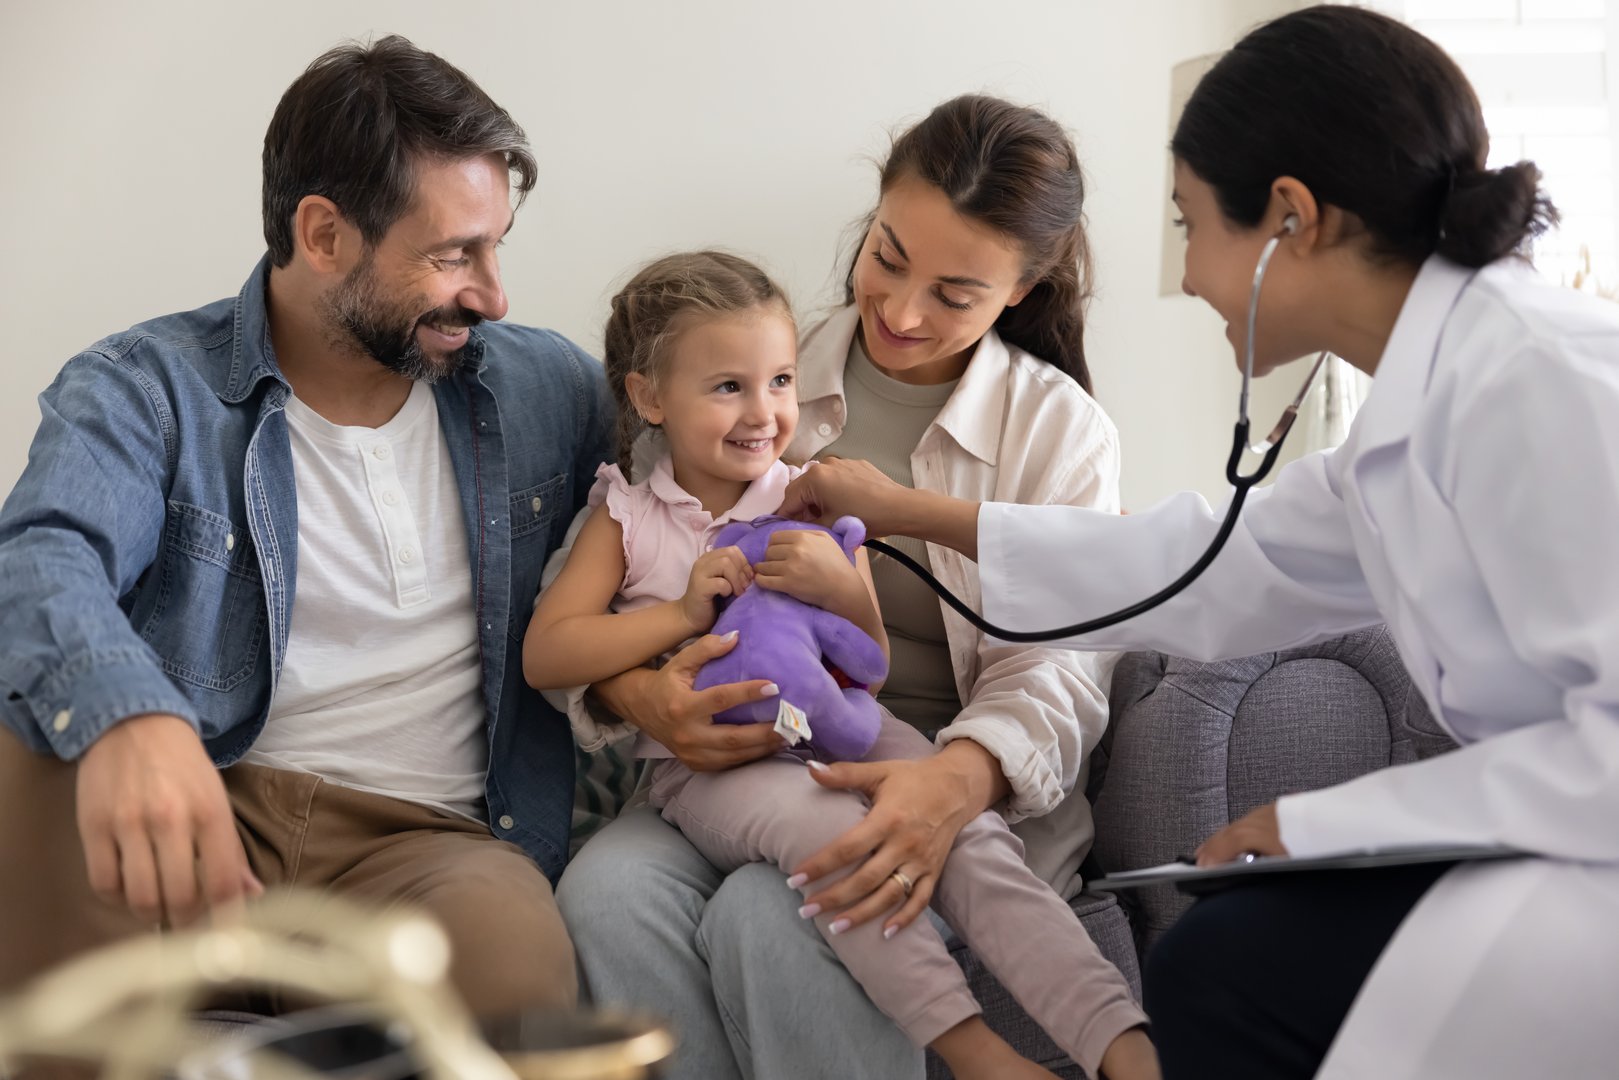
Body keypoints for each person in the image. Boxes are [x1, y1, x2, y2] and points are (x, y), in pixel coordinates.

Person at [777, 7, 1619, 1079]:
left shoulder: (1540, 385)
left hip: (1585, 879)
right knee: (1220, 963)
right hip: (1551, 849)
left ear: (1287, 218)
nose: (1182, 275)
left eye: (1185, 224)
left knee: (1227, 968)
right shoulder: (1425, 404)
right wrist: (919, 513)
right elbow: (1208, 562)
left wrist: (1328, 824)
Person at [0, 36, 613, 1017]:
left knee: (513, 975)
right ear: (322, 234)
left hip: (429, 848)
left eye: (496, 246)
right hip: (201, 804)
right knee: (31, 739)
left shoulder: (548, 390)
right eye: (455, 254)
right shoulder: (146, 389)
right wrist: (129, 715)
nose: (493, 295)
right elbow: (40, 557)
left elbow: (709, 490)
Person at [553, 96, 1156, 1080]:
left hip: (930, 770)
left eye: (954, 293)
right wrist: (644, 699)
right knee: (602, 893)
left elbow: (1060, 674)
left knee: (775, 911)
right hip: (728, 764)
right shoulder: (751, 365)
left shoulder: (1057, 432)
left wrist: (946, 785)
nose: (903, 310)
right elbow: (619, 569)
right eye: (887, 256)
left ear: (1023, 285)